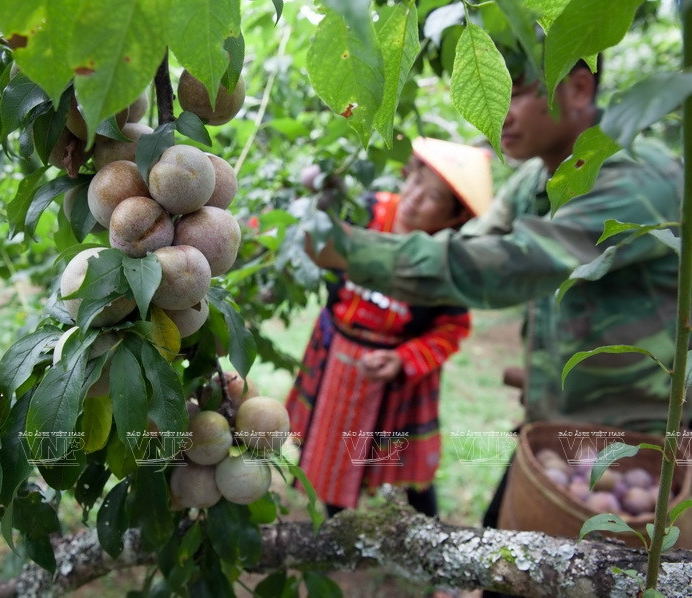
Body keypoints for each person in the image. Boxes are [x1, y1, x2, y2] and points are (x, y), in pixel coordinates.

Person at [305, 58, 689, 597]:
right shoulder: (538, 178)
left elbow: (512, 264)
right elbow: (470, 252)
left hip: (638, 439)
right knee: (511, 558)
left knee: (607, 574)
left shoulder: (636, 177)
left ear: (579, 89)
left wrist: (351, 250)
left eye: (514, 92)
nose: (496, 111)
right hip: (554, 428)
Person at [287, 138, 494, 519]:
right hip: (338, 357)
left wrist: (403, 359)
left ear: (452, 218)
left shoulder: (444, 261)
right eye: (415, 182)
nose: (414, 198)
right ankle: (337, 526)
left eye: (432, 197)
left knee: (405, 464)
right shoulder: (368, 212)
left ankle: (426, 535)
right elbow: (319, 237)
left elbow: (452, 328)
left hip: (396, 377)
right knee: (330, 443)